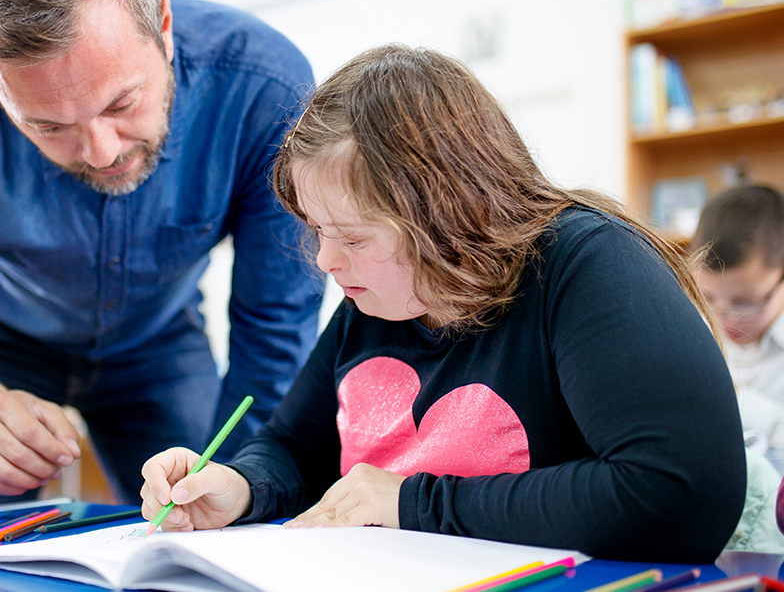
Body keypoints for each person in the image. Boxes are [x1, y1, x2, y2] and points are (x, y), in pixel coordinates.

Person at [139, 45, 746, 563]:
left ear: (453, 214)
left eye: (352, 237)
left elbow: (678, 496)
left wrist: (407, 502)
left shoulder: (584, 267)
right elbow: (296, 447)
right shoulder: (376, 300)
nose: (325, 261)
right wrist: (242, 485)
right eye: (316, 229)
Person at [0, 0, 325, 513]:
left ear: (164, 27)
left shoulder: (265, 90)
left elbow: (276, 320)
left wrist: (244, 481)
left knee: (215, 527)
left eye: (121, 103)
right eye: (49, 126)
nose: (102, 153)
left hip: (158, 341)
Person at [693, 185, 784, 448]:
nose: (724, 318)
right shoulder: (689, 324)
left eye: (744, 303)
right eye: (707, 298)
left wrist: (734, 396)